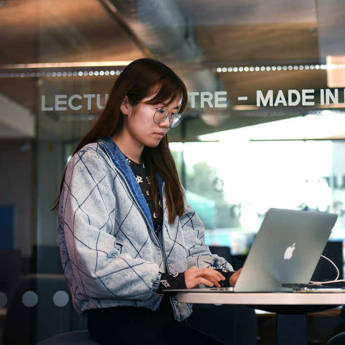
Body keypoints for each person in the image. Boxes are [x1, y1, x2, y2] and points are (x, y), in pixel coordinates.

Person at [55, 58, 241, 345]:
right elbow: (94, 263)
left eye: (173, 114)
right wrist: (169, 281)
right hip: (118, 321)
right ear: (126, 104)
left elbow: (190, 247)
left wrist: (224, 276)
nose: (166, 123)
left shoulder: (162, 173)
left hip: (166, 318)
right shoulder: (91, 163)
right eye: (159, 111)